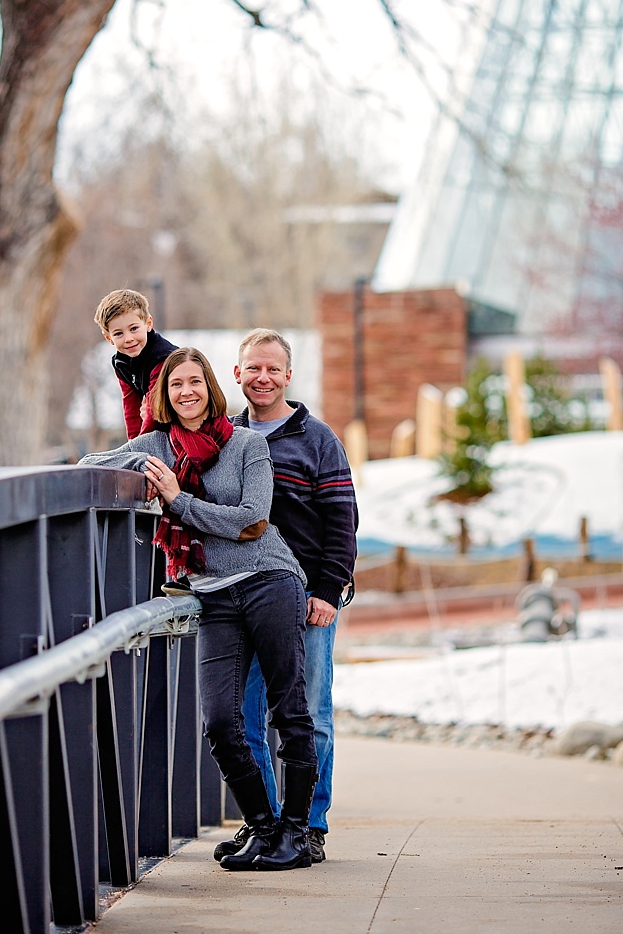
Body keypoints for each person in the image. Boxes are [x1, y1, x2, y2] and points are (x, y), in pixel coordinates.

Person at [79, 347, 319, 872]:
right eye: (174, 384)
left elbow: (252, 520)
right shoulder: (157, 445)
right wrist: (130, 468)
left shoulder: (247, 444)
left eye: (194, 381)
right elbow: (89, 467)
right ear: (162, 396)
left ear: (211, 387)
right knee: (219, 720)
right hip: (213, 593)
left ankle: (297, 834)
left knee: (289, 709)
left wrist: (176, 499)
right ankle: (262, 828)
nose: (186, 391)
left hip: (269, 581)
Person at [209, 328, 357, 868]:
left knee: (310, 713)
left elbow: (343, 522)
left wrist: (327, 590)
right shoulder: (222, 439)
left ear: (288, 376)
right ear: (237, 374)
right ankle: (266, 824)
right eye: (254, 368)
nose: (263, 378)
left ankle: (310, 825)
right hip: (240, 597)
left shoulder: (318, 440)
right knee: (246, 717)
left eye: (273, 369)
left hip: (308, 600)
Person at [94, 288, 178, 439]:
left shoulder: (162, 357)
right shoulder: (121, 363)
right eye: (118, 333)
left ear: (148, 323)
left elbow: (153, 409)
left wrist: (142, 444)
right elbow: (131, 406)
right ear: (109, 338)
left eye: (134, 329)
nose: (128, 338)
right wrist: (133, 443)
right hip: (157, 427)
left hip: (180, 426)